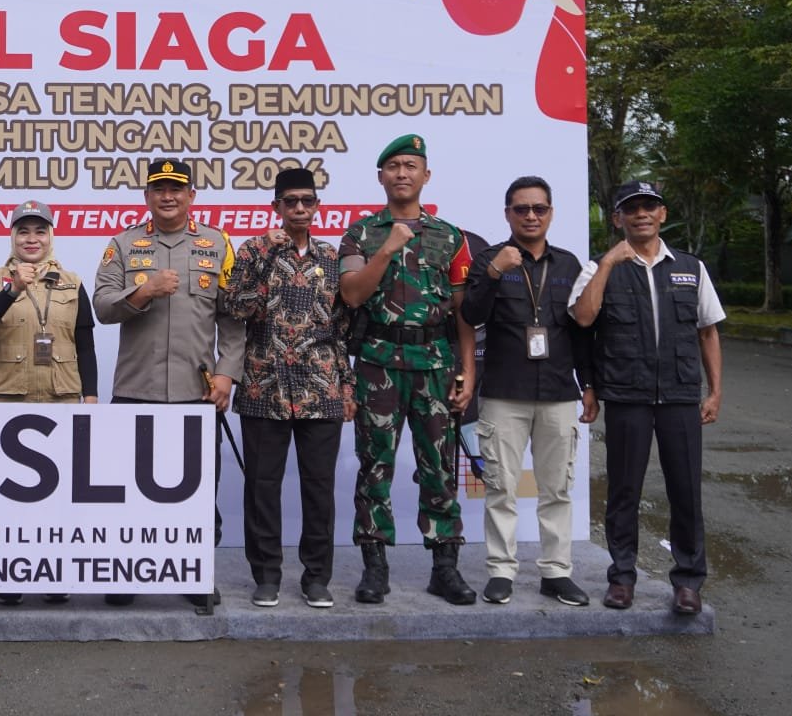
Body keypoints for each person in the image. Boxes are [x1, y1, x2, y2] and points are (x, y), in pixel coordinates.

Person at [570, 181, 725, 615]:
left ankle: (688, 582)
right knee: (624, 490)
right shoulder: (599, 266)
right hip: (627, 394)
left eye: (649, 206)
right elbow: (583, 318)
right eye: (632, 208)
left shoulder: (690, 268)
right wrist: (608, 263)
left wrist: (715, 391)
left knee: (686, 491)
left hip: (679, 395)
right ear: (618, 218)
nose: (641, 214)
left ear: (662, 214)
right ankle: (622, 578)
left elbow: (707, 331)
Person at [93, 158, 243, 606]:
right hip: (135, 391)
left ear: (191, 195)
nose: (168, 196)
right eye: (159, 189)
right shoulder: (123, 244)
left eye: (176, 189)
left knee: (197, 493)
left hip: (195, 393)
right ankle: (124, 573)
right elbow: (102, 307)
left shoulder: (217, 245)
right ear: (147, 196)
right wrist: (144, 290)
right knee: (125, 490)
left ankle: (195, 573)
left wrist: (226, 373)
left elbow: (233, 321)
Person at [337, 134, 477, 606]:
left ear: (426, 175)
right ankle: (375, 567)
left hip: (434, 365)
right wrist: (388, 248)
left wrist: (468, 372)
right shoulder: (360, 234)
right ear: (381, 176)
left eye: (410, 165)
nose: (402, 173)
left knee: (439, 467)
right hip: (378, 365)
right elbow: (352, 295)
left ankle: (445, 567)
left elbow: (463, 313)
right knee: (374, 467)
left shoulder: (450, 237)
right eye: (393, 166)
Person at [220, 167, 353, 609]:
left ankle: (317, 578)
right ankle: (266, 576)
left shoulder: (331, 257)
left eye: (306, 201)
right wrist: (263, 254)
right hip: (265, 387)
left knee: (319, 489)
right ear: (276, 206)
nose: (299, 208)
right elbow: (235, 308)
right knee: (262, 487)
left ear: (317, 207)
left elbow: (342, 329)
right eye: (290, 201)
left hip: (321, 388)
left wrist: (347, 385)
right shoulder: (253, 249)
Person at [461, 176, 595, 608]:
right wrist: (495, 272)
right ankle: (501, 571)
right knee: (501, 487)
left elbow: (582, 332)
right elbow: (471, 314)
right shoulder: (489, 259)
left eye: (539, 208)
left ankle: (556, 572)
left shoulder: (569, 264)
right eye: (522, 209)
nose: (531, 216)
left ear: (551, 213)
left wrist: (588, 385)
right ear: (508, 214)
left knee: (557, 488)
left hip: (558, 392)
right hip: (504, 392)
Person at [0, 199, 97, 605]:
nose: (32, 239)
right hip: (7, 400)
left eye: (39, 231)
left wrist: (91, 395)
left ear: (50, 237)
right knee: (8, 494)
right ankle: (9, 573)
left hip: (61, 399)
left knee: (59, 496)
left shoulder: (72, 282)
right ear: (13, 237)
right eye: (23, 231)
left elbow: (85, 342)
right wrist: (14, 288)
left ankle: (55, 572)